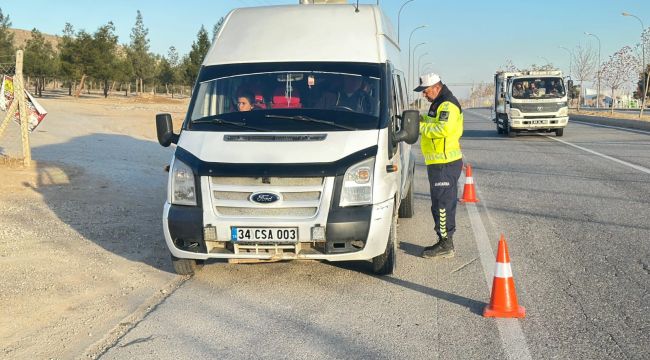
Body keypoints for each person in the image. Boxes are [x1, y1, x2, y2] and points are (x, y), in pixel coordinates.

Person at [414, 72, 464, 259]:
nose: (423, 95)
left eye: (425, 91)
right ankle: (444, 240)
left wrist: (418, 127)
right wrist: (423, 120)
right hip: (437, 162)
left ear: (436, 87)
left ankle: (446, 243)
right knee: (439, 204)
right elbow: (435, 123)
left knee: (443, 205)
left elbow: (443, 129)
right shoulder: (438, 103)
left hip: (445, 163)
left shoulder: (448, 104)